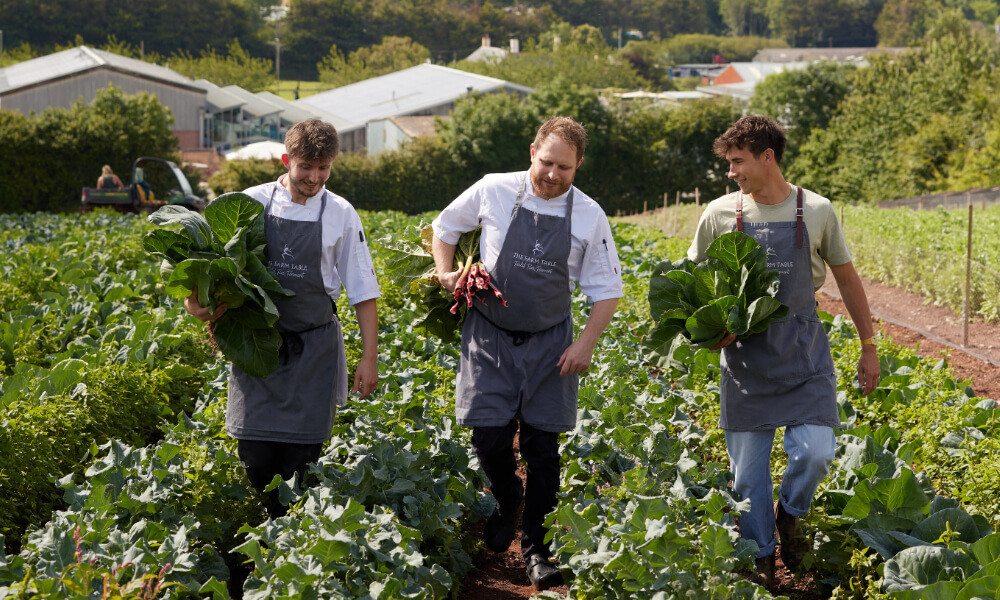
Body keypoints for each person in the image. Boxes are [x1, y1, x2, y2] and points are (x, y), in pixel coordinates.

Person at [430, 116, 623, 591]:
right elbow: (445, 227)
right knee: (489, 436)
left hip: (550, 343)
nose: (554, 174)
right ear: (532, 151)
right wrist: (444, 271)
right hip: (489, 335)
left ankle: (537, 547)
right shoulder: (494, 189)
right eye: (547, 162)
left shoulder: (588, 215)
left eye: (566, 168)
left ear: (578, 166)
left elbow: (608, 288)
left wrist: (585, 343)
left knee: (543, 449)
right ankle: (506, 496)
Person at [688, 116, 879, 589]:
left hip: (802, 355)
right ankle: (761, 555)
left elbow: (848, 280)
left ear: (767, 157)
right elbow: (694, 284)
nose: (731, 171)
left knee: (815, 453)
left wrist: (868, 344)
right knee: (748, 478)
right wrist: (710, 332)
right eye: (729, 162)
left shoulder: (815, 210)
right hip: (745, 363)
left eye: (738, 161)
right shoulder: (718, 214)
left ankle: (790, 513)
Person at [183, 119, 380, 518]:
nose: (314, 177)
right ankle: (273, 526)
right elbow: (206, 271)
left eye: (323, 168)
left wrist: (369, 357)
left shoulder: (341, 213)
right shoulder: (248, 203)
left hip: (314, 349)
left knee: (301, 459)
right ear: (287, 159)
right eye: (306, 166)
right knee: (254, 455)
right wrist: (195, 303)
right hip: (256, 346)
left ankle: (288, 538)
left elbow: (363, 290)